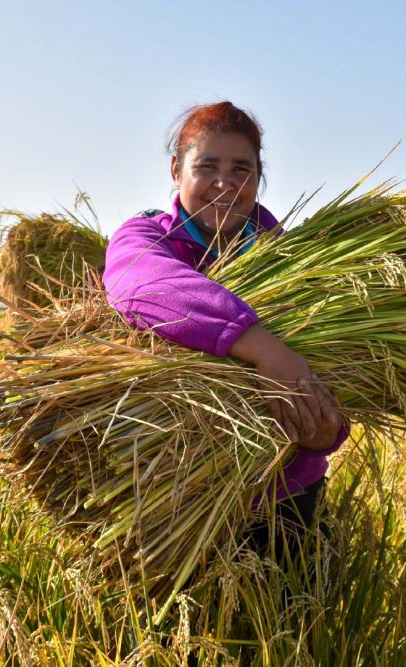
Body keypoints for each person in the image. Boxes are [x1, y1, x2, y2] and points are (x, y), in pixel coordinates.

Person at [102, 101, 348, 560]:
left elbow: (338, 372)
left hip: (288, 493)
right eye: (207, 166)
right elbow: (145, 284)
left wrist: (323, 433)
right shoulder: (148, 238)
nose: (225, 184)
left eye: (241, 169)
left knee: (297, 622)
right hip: (179, 499)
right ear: (177, 171)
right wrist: (263, 349)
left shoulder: (294, 262)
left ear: (258, 176)